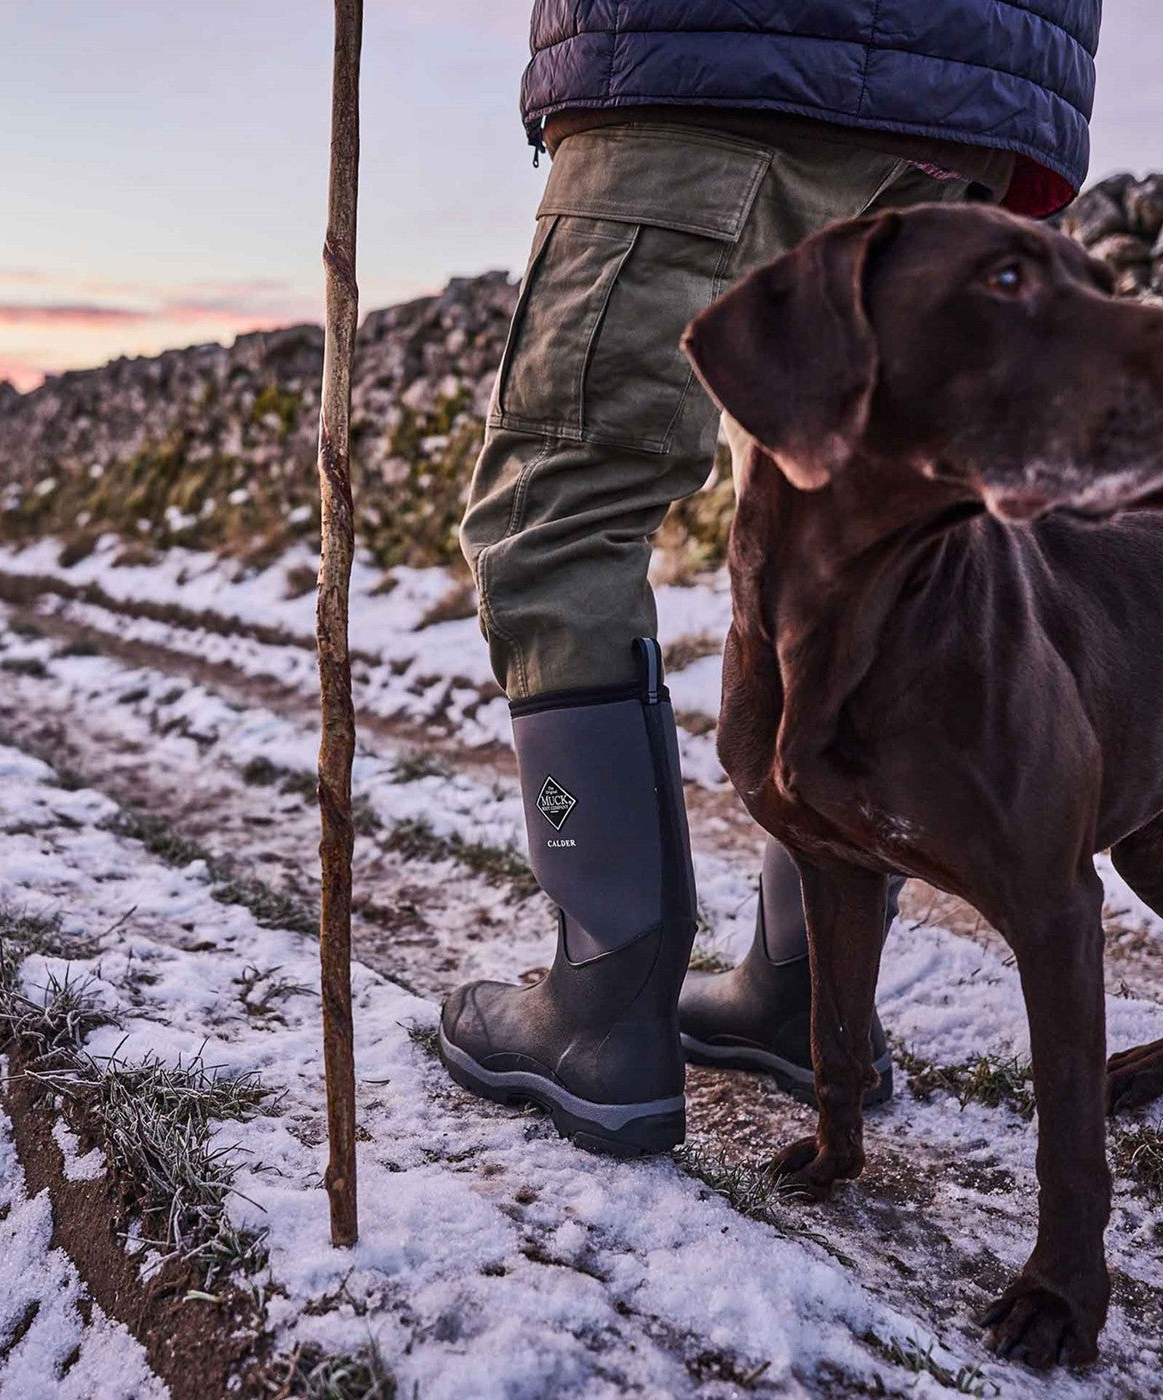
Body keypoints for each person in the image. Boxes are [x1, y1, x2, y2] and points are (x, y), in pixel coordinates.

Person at [439, 1, 1102, 1156]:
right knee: (841, 520)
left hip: (720, 54)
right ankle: (805, 993)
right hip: (983, 90)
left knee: (558, 507)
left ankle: (603, 1007)